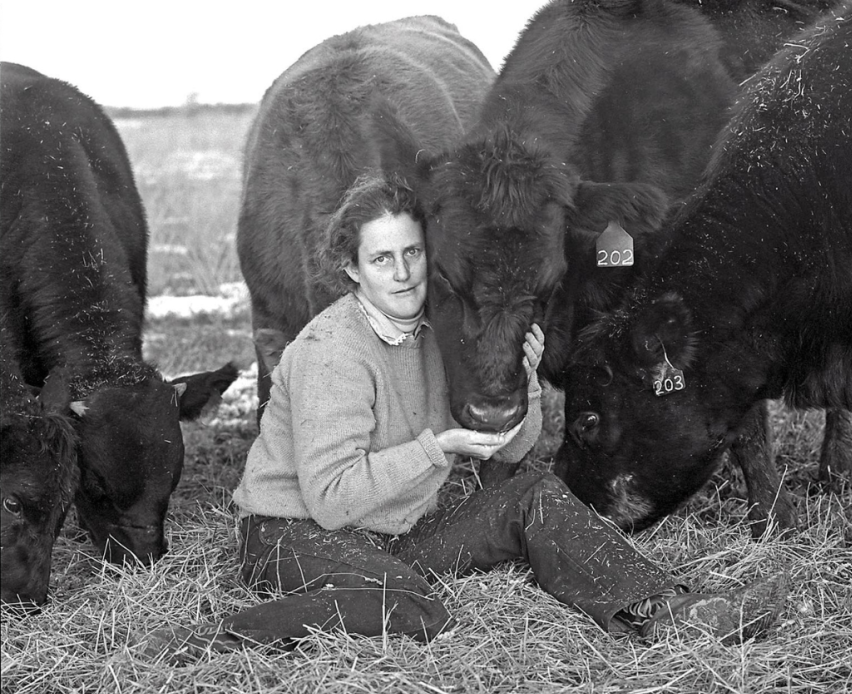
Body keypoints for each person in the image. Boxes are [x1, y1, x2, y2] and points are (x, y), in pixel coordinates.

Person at [143, 174, 785, 664]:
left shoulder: (440, 332)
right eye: (381, 259)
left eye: (412, 254)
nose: (402, 273)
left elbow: (507, 453)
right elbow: (333, 499)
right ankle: (228, 635)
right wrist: (435, 446)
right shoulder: (329, 352)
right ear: (351, 270)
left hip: (395, 527)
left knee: (535, 491)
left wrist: (527, 390)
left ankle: (666, 609)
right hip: (294, 531)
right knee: (415, 609)